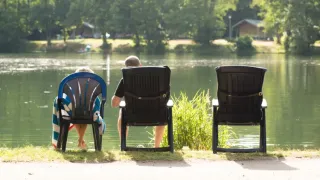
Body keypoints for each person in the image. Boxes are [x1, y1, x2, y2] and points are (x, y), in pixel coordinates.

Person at [111, 56, 166, 148]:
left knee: (122, 112)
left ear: (126, 68)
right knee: (163, 110)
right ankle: (156, 147)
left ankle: (123, 144)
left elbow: (114, 104)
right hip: (156, 115)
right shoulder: (157, 80)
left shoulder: (125, 80)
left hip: (132, 115)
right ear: (140, 66)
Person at [51, 67, 106, 150]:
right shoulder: (93, 98)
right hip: (89, 113)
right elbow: (102, 101)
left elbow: (59, 100)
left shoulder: (70, 95)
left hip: (73, 112)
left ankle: (76, 141)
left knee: (74, 110)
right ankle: (80, 141)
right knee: (86, 110)